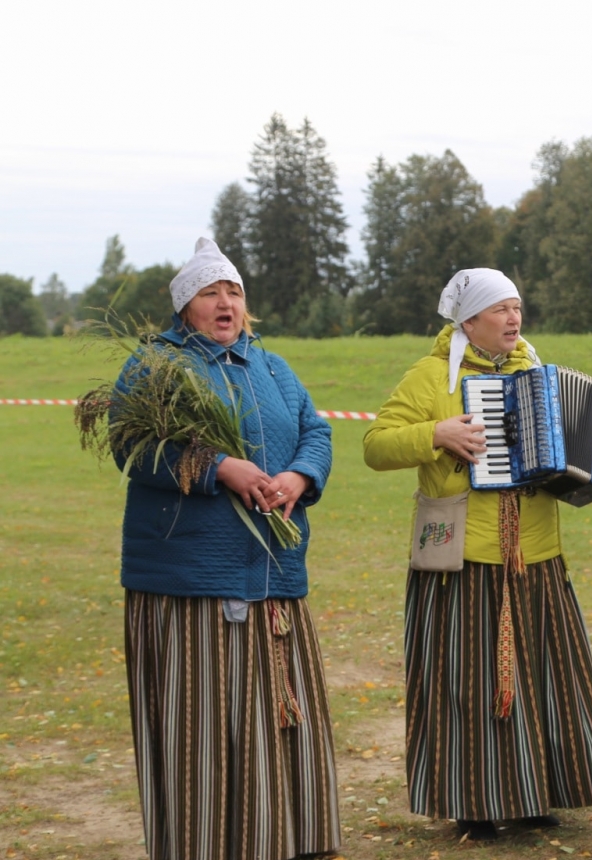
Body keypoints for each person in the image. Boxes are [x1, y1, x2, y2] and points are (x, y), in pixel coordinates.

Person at [362, 268, 592, 838]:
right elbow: (375, 445)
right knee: (466, 681)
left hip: (536, 554)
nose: (513, 319)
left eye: (517, 308)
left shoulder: (539, 372)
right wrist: (435, 433)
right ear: (469, 321)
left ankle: (537, 794)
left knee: (542, 678)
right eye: (500, 309)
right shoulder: (432, 375)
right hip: (461, 554)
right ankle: (474, 802)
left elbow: (567, 463)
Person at [116, 238, 339, 860]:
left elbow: (316, 431)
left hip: (273, 565)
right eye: (211, 293)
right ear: (185, 306)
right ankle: (209, 841)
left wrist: (300, 476)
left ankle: (291, 836)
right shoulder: (155, 367)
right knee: (206, 721)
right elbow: (132, 447)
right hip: (189, 576)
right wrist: (218, 467)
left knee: (278, 711)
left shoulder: (272, 366)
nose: (225, 303)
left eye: (234, 292)